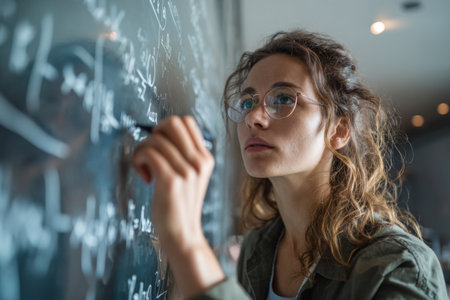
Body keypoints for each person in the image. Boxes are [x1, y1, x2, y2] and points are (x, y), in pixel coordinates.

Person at [132, 30, 447, 299]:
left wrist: (187, 241)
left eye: (283, 99)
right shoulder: (258, 249)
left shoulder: (398, 266)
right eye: (247, 102)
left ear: (338, 130)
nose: (253, 117)